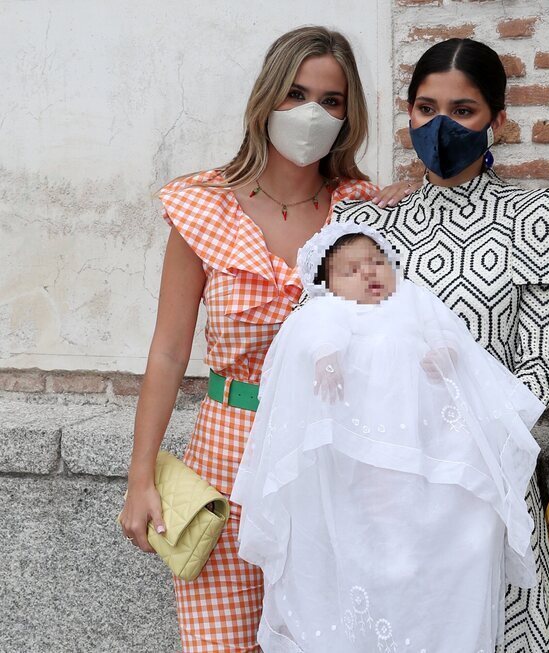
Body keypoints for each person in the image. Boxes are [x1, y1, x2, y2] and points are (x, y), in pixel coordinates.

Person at [118, 26, 411, 651]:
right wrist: (141, 475)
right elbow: (169, 352)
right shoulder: (205, 208)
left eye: (331, 102)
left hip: (330, 455)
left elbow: (390, 344)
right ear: (265, 101)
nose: (312, 113)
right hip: (227, 451)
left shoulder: (365, 214)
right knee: (221, 641)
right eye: (296, 94)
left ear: (348, 114)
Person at [327, 38, 549, 652]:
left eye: (463, 110)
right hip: (387, 485)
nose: (440, 125)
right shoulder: (374, 229)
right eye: (425, 108)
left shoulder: (542, 217)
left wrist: (466, 436)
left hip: (486, 478)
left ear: (498, 120)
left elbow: (545, 364)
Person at [231, 221, 545, 652]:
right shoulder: (329, 311)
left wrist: (444, 351)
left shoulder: (412, 298)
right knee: (362, 520)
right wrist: (327, 360)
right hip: (355, 450)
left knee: (434, 517)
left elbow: (445, 332)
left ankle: (427, 598)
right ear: (327, 283)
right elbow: (319, 337)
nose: (369, 274)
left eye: (377, 262)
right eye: (350, 270)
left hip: (424, 447)